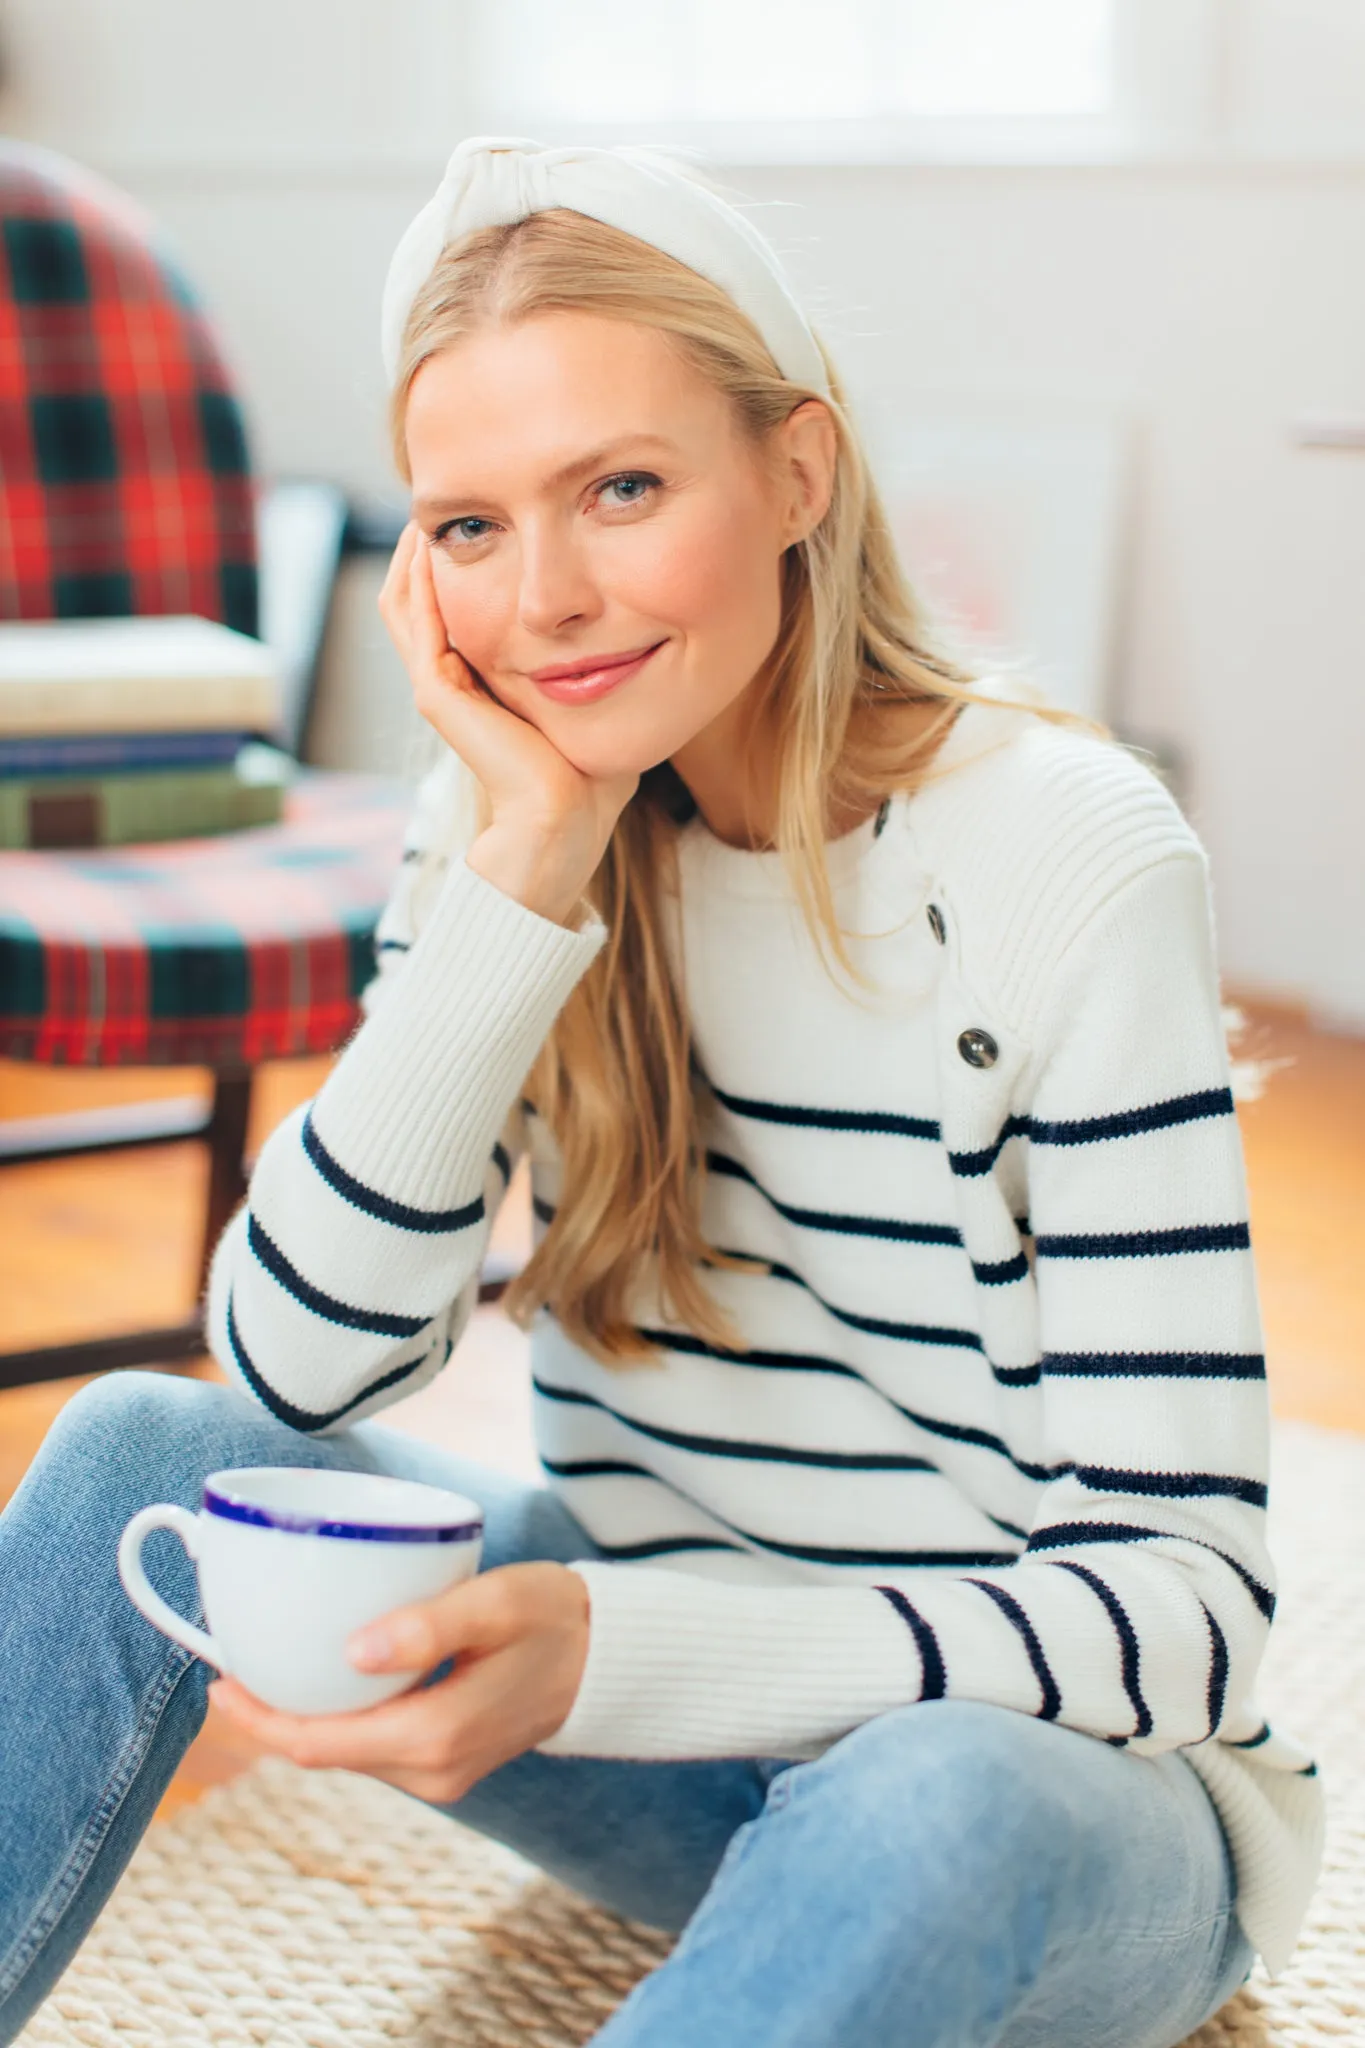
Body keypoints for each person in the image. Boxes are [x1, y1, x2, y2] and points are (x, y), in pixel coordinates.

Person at [0, 136, 1324, 2048]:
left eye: (620, 488)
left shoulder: (1065, 854)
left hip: (1046, 1802)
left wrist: (618, 1651)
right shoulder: (502, 830)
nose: (544, 601)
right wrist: (520, 877)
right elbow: (296, 1374)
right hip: (681, 1742)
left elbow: (1186, 1620)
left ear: (798, 472)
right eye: (467, 528)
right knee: (143, 1450)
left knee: (926, 1791)